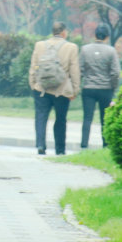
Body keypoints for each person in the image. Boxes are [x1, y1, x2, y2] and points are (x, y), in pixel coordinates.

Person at [28, 21, 80, 155]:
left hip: (41, 89)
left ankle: (40, 144)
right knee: (61, 119)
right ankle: (60, 149)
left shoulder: (39, 45)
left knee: (40, 117)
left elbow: (34, 66)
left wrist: (33, 84)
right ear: (63, 32)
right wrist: (75, 90)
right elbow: (74, 71)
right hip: (61, 90)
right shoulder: (71, 47)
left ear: (53, 32)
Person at [79, 24, 121, 148]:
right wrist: (113, 86)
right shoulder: (111, 51)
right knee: (105, 118)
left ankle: (84, 144)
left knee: (87, 118)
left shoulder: (85, 49)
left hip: (89, 88)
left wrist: (78, 85)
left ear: (95, 35)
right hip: (105, 89)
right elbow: (116, 72)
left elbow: (80, 70)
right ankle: (105, 144)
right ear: (107, 37)